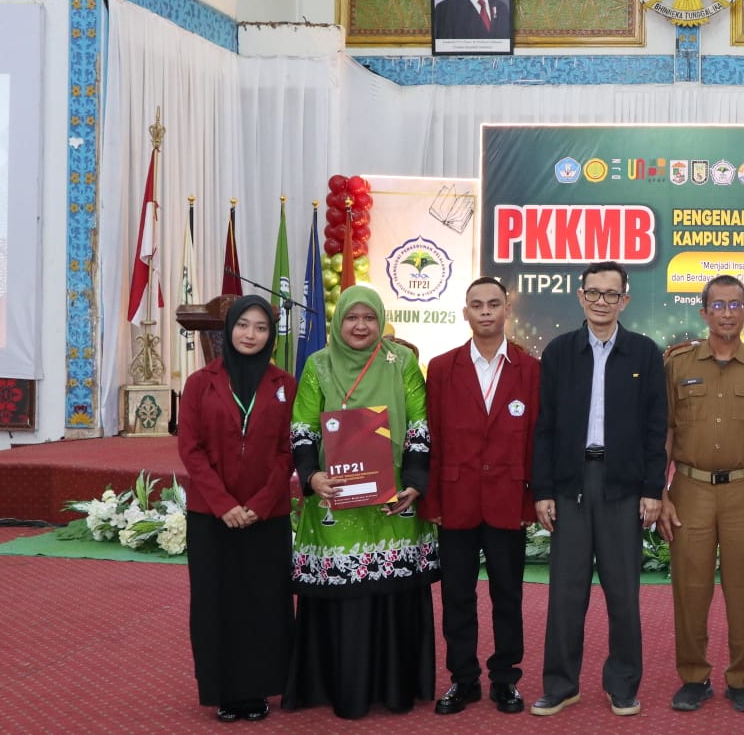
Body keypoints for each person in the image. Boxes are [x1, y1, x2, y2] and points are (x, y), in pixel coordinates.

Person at [285, 285, 440, 719]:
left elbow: (420, 425)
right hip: (334, 499)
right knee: (344, 596)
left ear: (380, 321)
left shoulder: (402, 361)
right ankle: (338, 686)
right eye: (352, 318)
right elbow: (302, 428)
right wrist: (311, 476)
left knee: (391, 592)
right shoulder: (318, 364)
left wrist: (415, 482)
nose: (360, 326)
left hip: (394, 501)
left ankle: (395, 687)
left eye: (369, 318)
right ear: (339, 322)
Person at [530, 261, 667, 717]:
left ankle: (622, 683)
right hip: (572, 484)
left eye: (611, 294)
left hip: (623, 486)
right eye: (593, 292)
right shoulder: (559, 353)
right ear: (580, 296)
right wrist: (542, 490)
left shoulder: (644, 353)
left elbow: (656, 428)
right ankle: (560, 684)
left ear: (624, 300)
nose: (601, 301)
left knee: (623, 593)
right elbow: (544, 427)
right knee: (565, 594)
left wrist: (653, 489)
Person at [659, 275, 744, 713]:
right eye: (718, 305)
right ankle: (693, 676)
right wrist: (661, 492)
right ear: (704, 312)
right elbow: (666, 432)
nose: (727, 313)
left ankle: (742, 678)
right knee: (690, 587)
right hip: (690, 489)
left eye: (735, 305)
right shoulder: (678, 365)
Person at [422, 277, 540, 715]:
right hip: (456, 500)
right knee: (457, 596)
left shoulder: (530, 369)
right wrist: (432, 500)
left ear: (507, 309)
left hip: (509, 500)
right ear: (465, 312)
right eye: (477, 305)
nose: (486, 311)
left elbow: (536, 439)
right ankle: (463, 679)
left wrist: (530, 500)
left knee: (508, 595)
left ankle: (505, 679)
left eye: (493, 304)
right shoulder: (442, 367)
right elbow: (432, 437)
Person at [178, 295, 296, 723]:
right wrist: (224, 505)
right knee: (216, 602)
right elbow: (190, 449)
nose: (251, 334)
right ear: (228, 330)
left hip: (267, 515)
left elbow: (288, 451)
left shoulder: (285, 384)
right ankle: (224, 690)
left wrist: (259, 504)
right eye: (243, 325)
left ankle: (257, 688)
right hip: (212, 516)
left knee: (264, 601)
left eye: (261, 328)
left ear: (271, 335)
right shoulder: (200, 382)